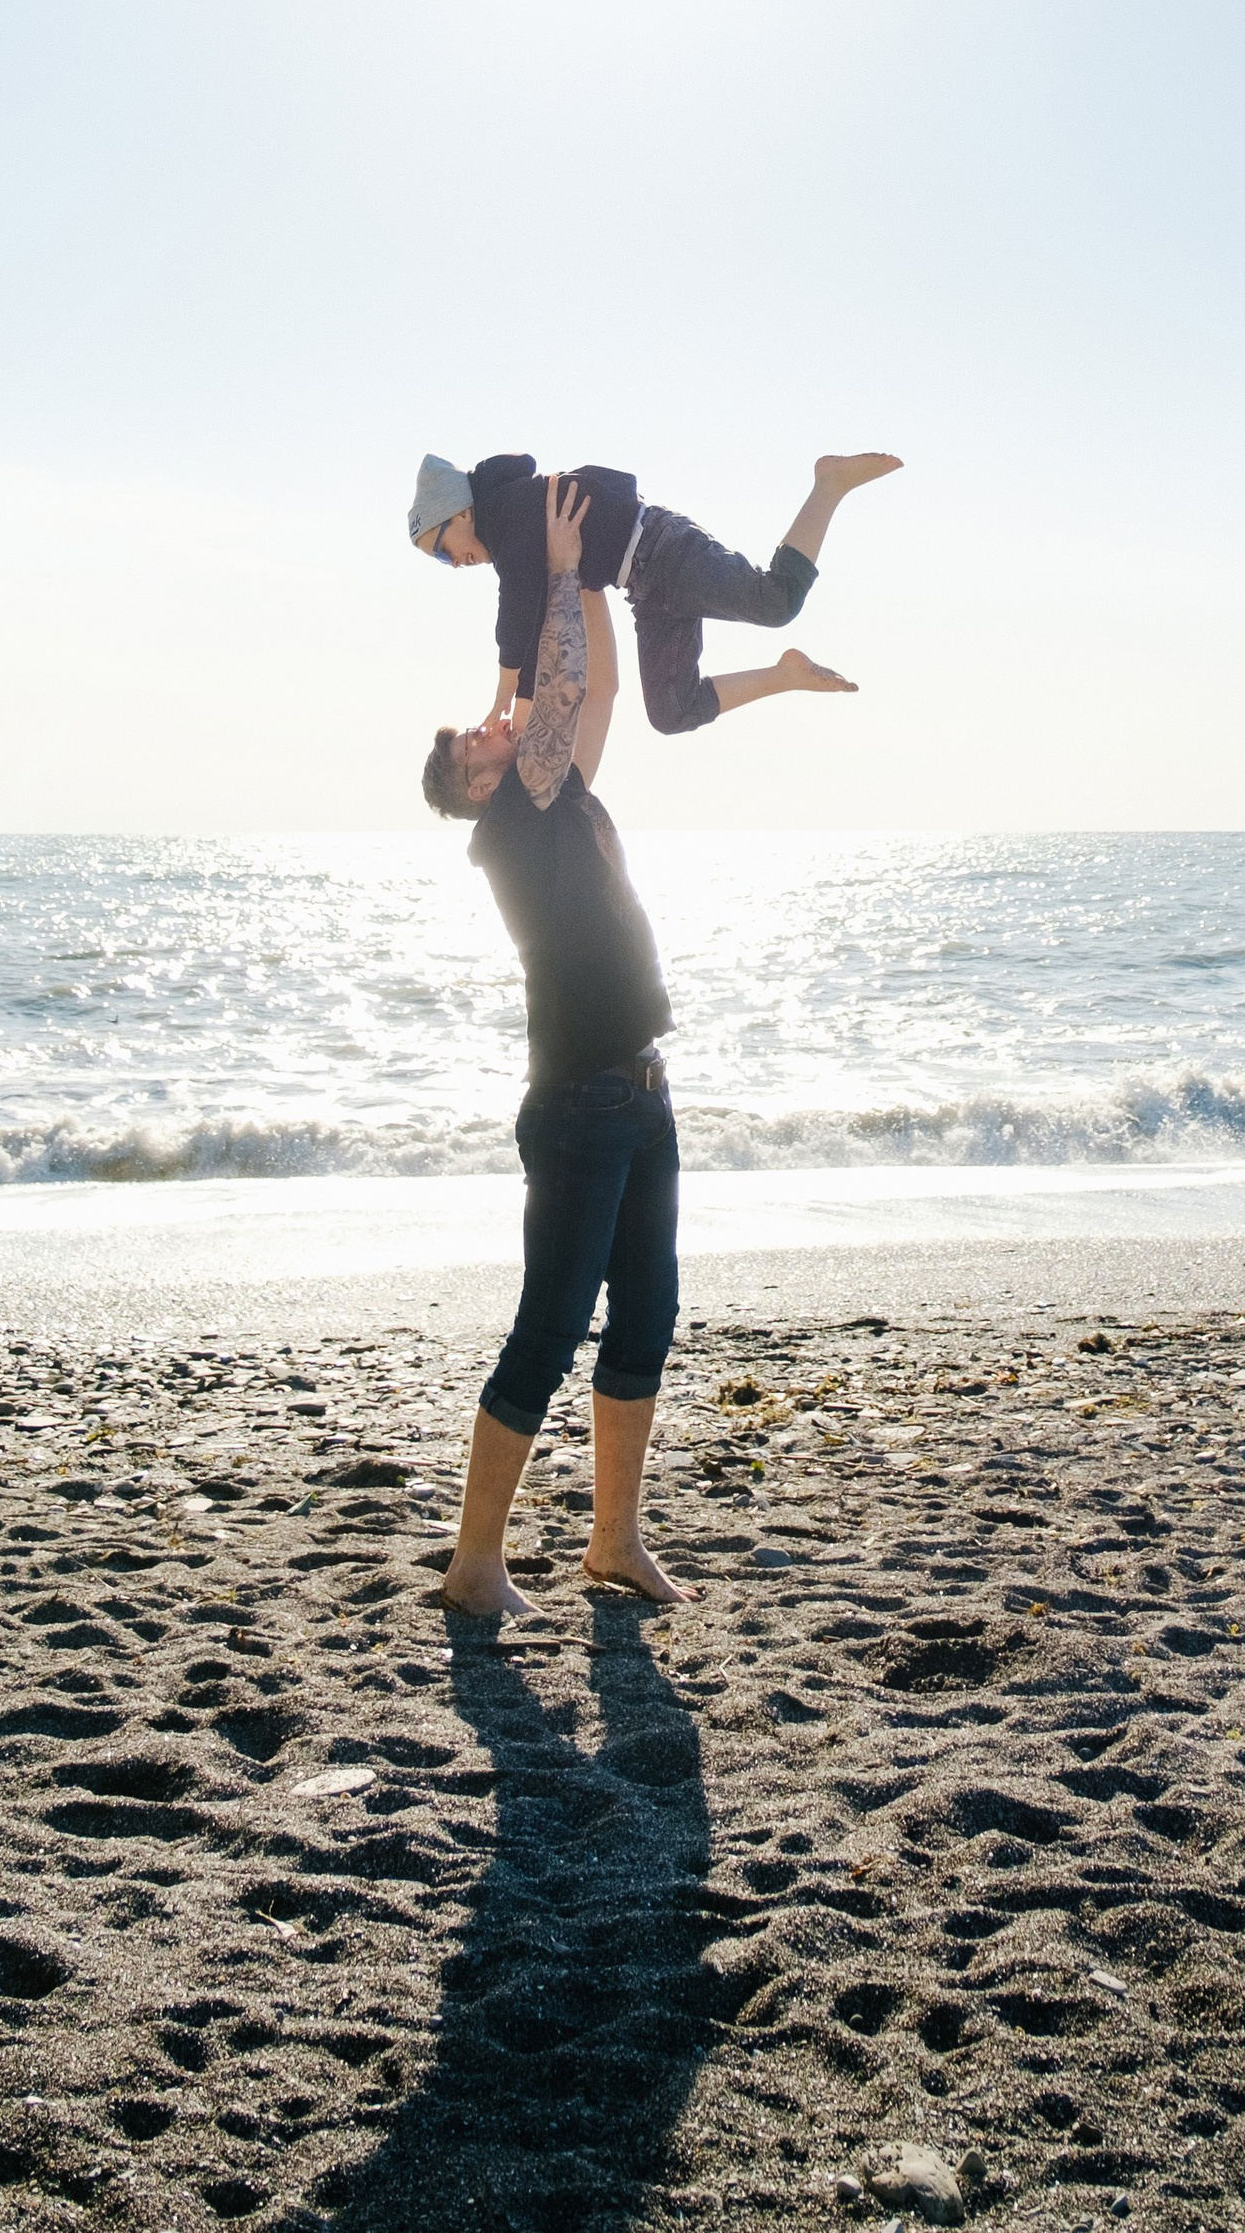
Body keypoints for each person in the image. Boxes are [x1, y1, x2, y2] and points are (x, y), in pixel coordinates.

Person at [427, 475, 690, 1617]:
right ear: (478, 781)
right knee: (547, 1330)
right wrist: (568, 575)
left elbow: (600, 693)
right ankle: (475, 1565)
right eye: (476, 736)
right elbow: (561, 682)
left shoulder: (558, 796)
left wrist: (595, 592)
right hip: (579, 1103)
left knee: (645, 1321)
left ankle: (613, 1545)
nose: (495, 721)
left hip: (640, 1087)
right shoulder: (512, 818)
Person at [410, 445, 899, 749]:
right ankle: (787, 674)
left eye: (440, 551)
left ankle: (828, 485)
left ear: (460, 514)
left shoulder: (505, 515)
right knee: (669, 713)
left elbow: (516, 615)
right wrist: (523, 698)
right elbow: (536, 616)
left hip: (663, 550)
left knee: (777, 601)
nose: (453, 564)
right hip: (646, 590)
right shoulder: (511, 534)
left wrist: (510, 695)